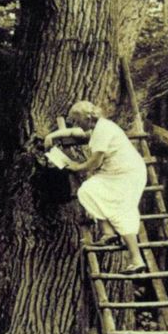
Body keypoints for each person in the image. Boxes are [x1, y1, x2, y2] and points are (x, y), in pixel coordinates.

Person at [44, 101, 147, 274]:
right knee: (88, 191)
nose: (76, 125)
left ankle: (136, 259)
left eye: (77, 120)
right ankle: (108, 233)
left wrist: (76, 166)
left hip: (126, 174)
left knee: (121, 211)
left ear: (87, 117)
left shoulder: (104, 129)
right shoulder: (97, 127)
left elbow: (95, 162)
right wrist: (52, 136)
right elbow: (77, 133)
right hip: (113, 173)